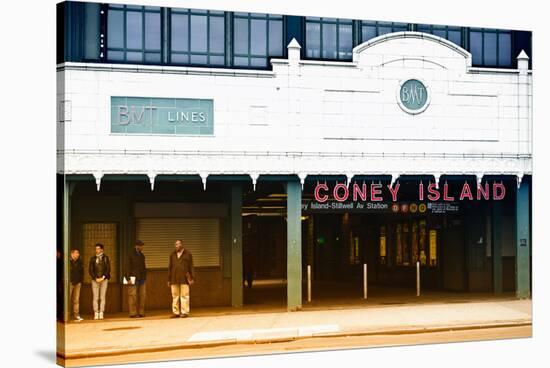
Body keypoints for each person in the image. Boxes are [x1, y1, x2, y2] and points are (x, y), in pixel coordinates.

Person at [167, 239, 195, 318]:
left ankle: (184, 312)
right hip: (174, 278)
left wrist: (192, 277)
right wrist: (169, 279)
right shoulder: (172, 255)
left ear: (182, 245)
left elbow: (191, 266)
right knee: (175, 296)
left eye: (178, 244)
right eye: (175, 244)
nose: (176, 246)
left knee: (185, 295)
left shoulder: (188, 254)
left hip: (184, 278)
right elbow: (170, 267)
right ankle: (176, 312)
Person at [89, 243, 111, 320]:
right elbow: (90, 270)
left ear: (102, 249)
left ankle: (101, 312)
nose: (97, 250)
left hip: (104, 280)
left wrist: (103, 277)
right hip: (95, 280)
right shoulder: (93, 258)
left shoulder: (106, 258)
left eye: (98, 249)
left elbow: (108, 269)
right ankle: (96, 312)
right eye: (96, 249)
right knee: (95, 297)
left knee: (102, 297)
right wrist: (95, 278)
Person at [126, 239, 147, 318]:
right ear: (137, 246)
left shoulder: (142, 255)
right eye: (141, 246)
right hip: (132, 278)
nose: (142, 247)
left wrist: (145, 276)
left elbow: (144, 267)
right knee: (132, 295)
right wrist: (128, 278)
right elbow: (127, 267)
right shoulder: (130, 255)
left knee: (143, 295)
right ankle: (133, 313)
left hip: (142, 278)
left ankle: (141, 312)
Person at [69, 249, 84, 322]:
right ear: (72, 254)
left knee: (76, 300)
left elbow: (82, 272)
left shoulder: (80, 261)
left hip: (78, 283)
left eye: (78, 253)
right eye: (76, 253)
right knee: (67, 300)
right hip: (69, 283)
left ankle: (76, 315)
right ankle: (66, 315)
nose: (78, 254)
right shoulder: (67, 261)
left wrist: (80, 281)